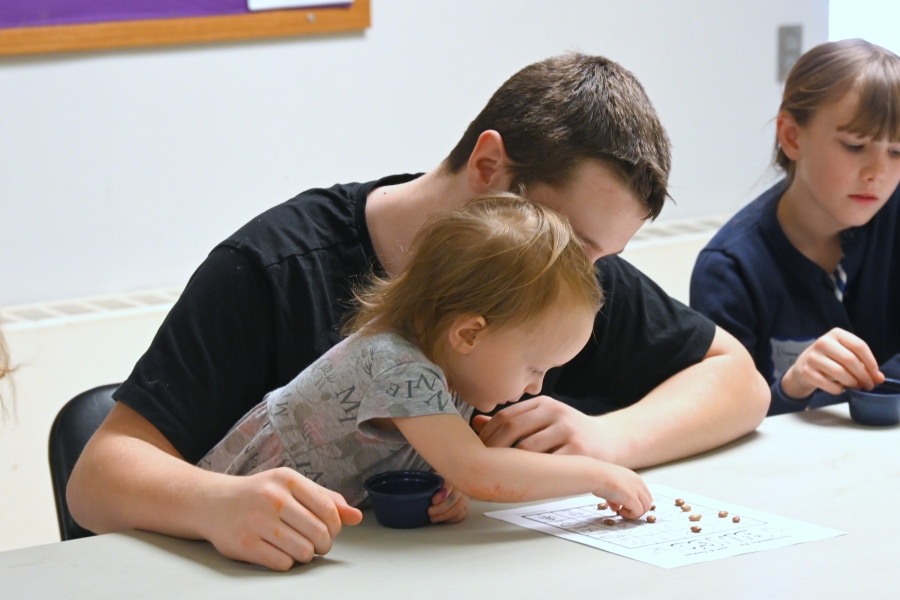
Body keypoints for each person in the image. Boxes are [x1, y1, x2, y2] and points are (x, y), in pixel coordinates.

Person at [68, 52, 768, 570]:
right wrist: (212, 503)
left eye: (600, 260)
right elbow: (98, 479)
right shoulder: (274, 267)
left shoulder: (561, 276)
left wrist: (605, 441)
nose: (585, 275)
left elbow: (736, 379)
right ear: (490, 166)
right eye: (577, 242)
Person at [200, 196, 652, 552]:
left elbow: (458, 467)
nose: (536, 386)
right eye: (535, 367)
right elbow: (481, 473)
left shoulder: (452, 365)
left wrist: (443, 483)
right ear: (470, 334)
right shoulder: (396, 365)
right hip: (226, 528)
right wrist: (599, 475)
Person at [690, 39, 900, 415]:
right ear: (791, 136)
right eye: (854, 146)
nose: (878, 174)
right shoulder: (730, 270)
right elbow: (717, 418)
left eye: (897, 152)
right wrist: (791, 388)